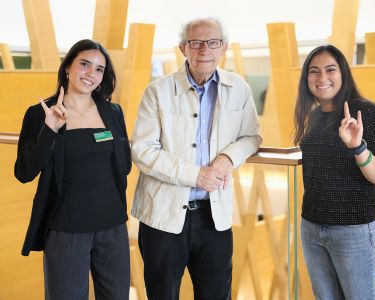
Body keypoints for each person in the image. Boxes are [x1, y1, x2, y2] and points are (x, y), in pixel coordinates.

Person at [131, 17, 262, 300]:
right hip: (162, 219)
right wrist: (196, 175)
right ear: (183, 49)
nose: (205, 49)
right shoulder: (158, 91)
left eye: (213, 42)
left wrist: (228, 157)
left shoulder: (238, 88)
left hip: (214, 219)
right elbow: (143, 150)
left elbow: (252, 137)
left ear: (224, 47)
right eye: (196, 43)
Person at [15, 39, 131, 300]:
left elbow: (123, 165)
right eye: (85, 64)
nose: (91, 74)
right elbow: (24, 172)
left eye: (99, 69)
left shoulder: (113, 112)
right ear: (68, 66)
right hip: (66, 230)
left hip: (113, 227)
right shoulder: (40, 114)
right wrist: (50, 130)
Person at [293, 45, 375, 299]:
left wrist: (357, 147)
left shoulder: (366, 113)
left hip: (354, 230)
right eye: (314, 72)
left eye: (330, 69)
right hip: (312, 227)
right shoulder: (314, 116)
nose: (321, 78)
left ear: (343, 73)